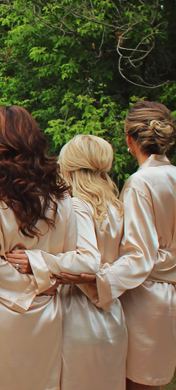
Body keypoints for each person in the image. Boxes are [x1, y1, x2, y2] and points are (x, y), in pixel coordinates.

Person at [0, 106, 99, 390]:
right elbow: (75, 260)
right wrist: (45, 278)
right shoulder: (61, 199)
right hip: (46, 310)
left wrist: (38, 263)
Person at [54, 135, 128, 390]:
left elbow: (87, 261)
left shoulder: (77, 205)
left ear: (69, 166)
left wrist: (39, 260)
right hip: (113, 312)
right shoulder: (116, 206)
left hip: (78, 313)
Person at [116, 101, 176, 389]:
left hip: (146, 297)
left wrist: (99, 278)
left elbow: (139, 255)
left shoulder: (140, 184)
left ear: (129, 139)